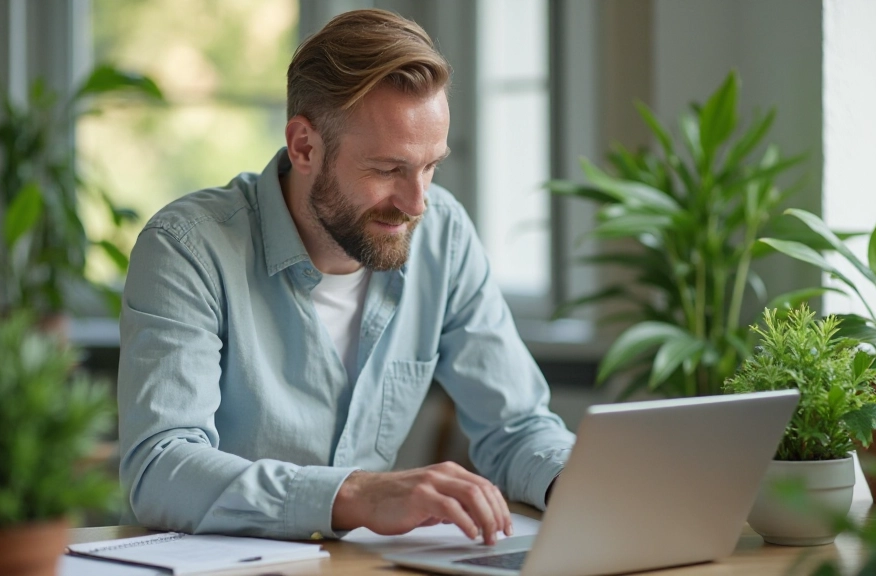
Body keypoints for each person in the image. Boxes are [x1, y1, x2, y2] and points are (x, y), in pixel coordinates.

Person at [117, 8, 575, 545]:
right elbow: (160, 467)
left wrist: (585, 484)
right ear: (304, 146)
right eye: (388, 170)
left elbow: (516, 427)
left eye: (431, 166)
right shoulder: (187, 248)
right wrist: (354, 495)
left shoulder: (443, 235)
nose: (416, 203)